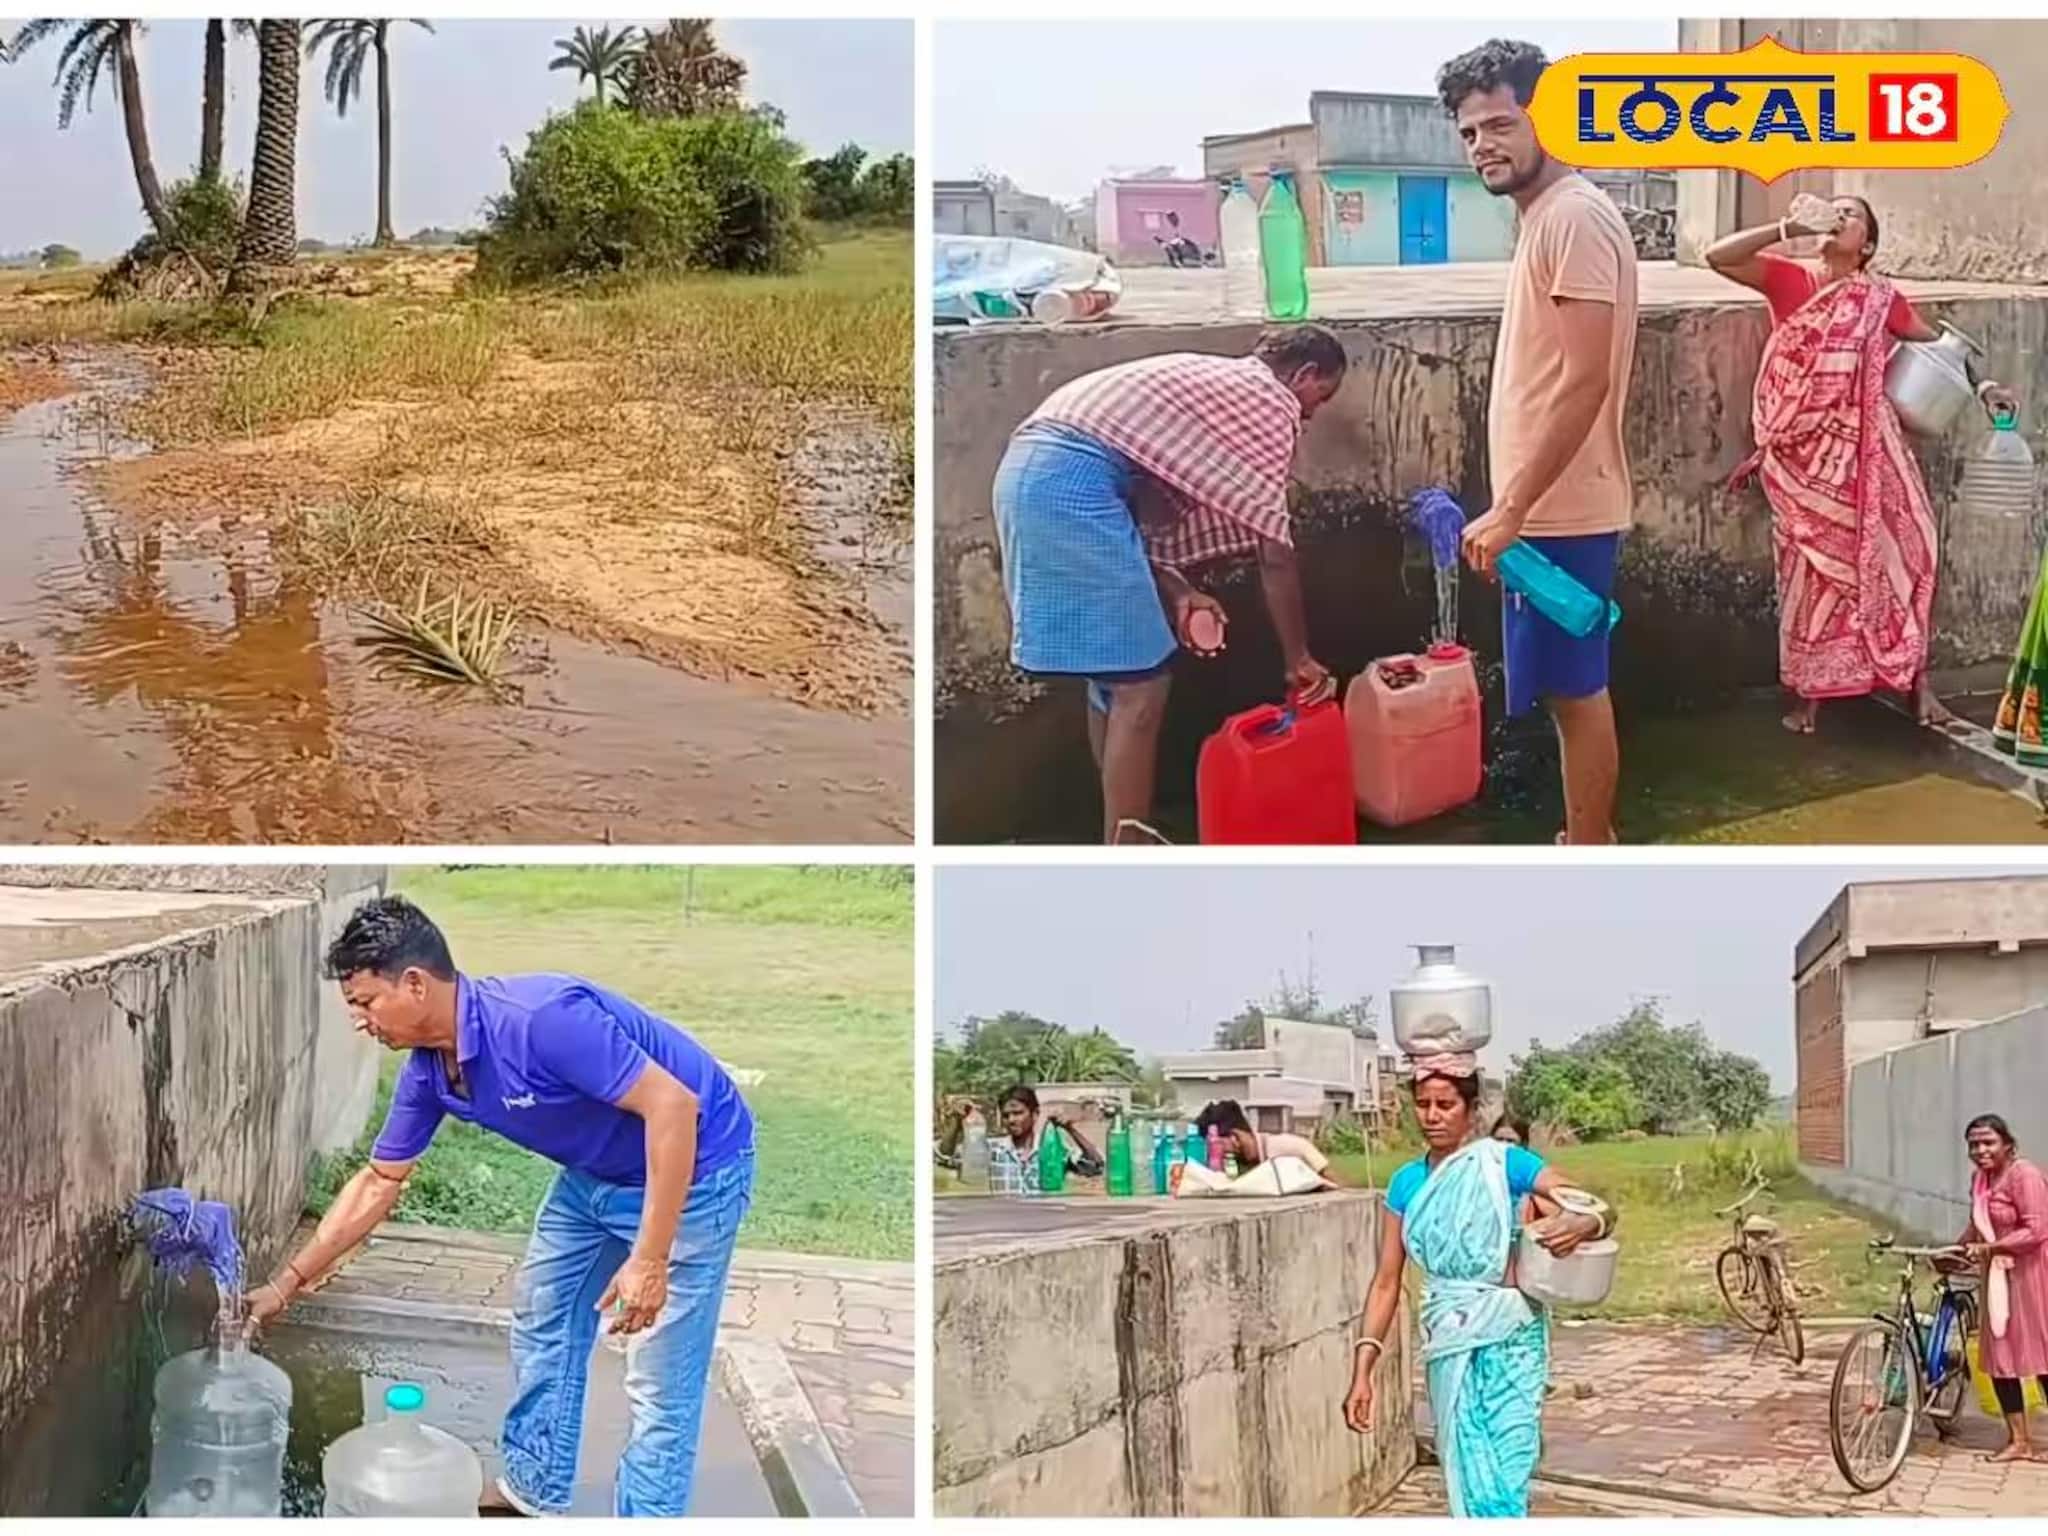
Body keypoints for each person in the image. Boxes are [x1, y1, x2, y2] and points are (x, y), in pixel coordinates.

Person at [242, 896, 755, 1517]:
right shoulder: (430, 1073)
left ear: (415, 984)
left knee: (660, 1373)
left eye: (365, 1002)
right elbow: (379, 1181)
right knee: (544, 1318)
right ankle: (534, 1489)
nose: (359, 1021)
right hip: (594, 1175)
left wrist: (649, 1259)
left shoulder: (543, 1020)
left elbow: (674, 1107)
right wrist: (285, 1285)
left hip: (696, 1170)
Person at [992, 328, 1347, 843]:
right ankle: (1130, 848)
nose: (1311, 414)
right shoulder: (1269, 401)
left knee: (1113, 679)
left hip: (1032, 475)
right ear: (1303, 375)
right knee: (1141, 688)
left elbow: (1137, 530)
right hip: (1068, 484)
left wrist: (1180, 593)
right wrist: (1298, 658)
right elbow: (1274, 551)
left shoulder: (1210, 391)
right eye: (1322, 396)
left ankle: (1121, 830)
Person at [1706, 197, 2016, 734]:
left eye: (1851, 215)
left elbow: (1939, 348)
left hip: (1869, 452)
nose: (1838, 215)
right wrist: (1788, 226)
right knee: (1814, 572)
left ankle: (1917, 686)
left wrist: (1984, 387)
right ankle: (1811, 697)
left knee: (1911, 551)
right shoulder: (1790, 280)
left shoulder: (1878, 298)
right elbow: (1718, 256)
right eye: (1835, 209)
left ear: (1866, 245)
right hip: (1801, 457)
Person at [1439, 39, 1638, 846]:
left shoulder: (1574, 218)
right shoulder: (1546, 218)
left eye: (1499, 125)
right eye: (1469, 133)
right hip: (1545, 507)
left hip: (1562, 509)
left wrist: (1513, 506)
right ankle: (1586, 839)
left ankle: (1590, 848)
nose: (1482, 145)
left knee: (1576, 692)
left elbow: (1585, 380)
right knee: (1563, 688)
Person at [1343, 1055, 1607, 1516]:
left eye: (1445, 1104)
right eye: (1423, 1104)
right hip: (1450, 1340)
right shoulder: (1407, 1184)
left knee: (1507, 1468)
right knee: (1467, 1468)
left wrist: (1589, 1222)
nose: (1432, 1115)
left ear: (1470, 1109)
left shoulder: (1504, 1164)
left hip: (1511, 1339)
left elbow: (1591, 1206)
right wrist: (1362, 1371)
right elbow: (1387, 1282)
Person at [1952, 1114, 2048, 1463]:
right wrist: (1953, 1252)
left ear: (2007, 1145)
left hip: (2032, 1275)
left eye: (1988, 1142)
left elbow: (2036, 1230)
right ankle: (2019, 1440)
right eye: (1973, 1144)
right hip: (1996, 1280)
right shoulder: (1980, 1181)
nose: (1980, 1150)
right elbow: (1976, 1227)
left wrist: (1991, 1248)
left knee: (2042, 1356)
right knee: (2000, 1359)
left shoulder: (2025, 1176)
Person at [1192, 1098, 1343, 1185]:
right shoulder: (1232, 1168)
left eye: (1217, 1146)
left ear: (1235, 1137)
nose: (1214, 1154)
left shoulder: (1291, 1147)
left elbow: (1335, 1181)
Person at [988, 1085, 1105, 1196]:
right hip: (1005, 1210)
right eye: (1006, 1115)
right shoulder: (993, 1150)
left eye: (1018, 1113)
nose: (1011, 1120)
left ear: (1035, 1114)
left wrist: (1070, 1129)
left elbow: (1096, 1167)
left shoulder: (1052, 1150)